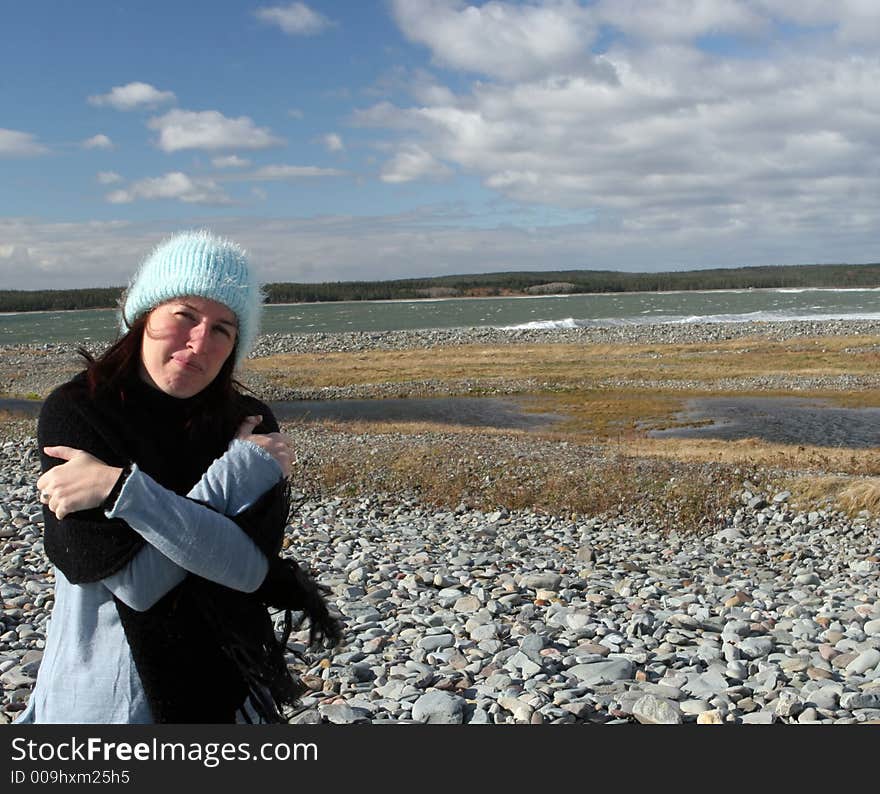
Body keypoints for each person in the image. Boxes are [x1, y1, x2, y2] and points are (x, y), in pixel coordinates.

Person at [15, 230, 340, 724]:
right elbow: (138, 586)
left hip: (227, 686)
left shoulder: (248, 423)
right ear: (144, 316)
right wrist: (234, 477)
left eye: (222, 330)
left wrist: (116, 489)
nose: (198, 343)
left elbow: (248, 570)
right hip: (106, 698)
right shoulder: (79, 412)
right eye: (184, 316)